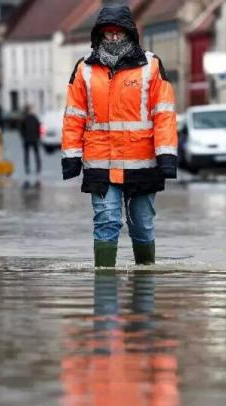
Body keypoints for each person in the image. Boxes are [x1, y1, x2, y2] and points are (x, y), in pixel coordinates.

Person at [61, 4, 178, 268]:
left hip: (142, 163)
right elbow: (73, 117)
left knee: (143, 225)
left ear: (130, 34)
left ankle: (144, 291)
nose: (113, 38)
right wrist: (71, 157)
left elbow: (165, 115)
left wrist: (167, 155)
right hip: (100, 164)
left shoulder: (151, 66)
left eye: (119, 33)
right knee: (106, 221)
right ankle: (104, 295)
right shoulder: (85, 70)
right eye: (108, 33)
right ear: (99, 36)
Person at [20, 104, 42, 175]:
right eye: (30, 110)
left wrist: (38, 137)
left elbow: (39, 128)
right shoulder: (24, 119)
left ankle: (38, 167)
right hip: (27, 139)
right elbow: (21, 129)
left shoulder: (35, 118)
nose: (31, 111)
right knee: (27, 154)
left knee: (36, 154)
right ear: (28, 111)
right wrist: (24, 137)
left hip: (34, 139)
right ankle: (27, 168)